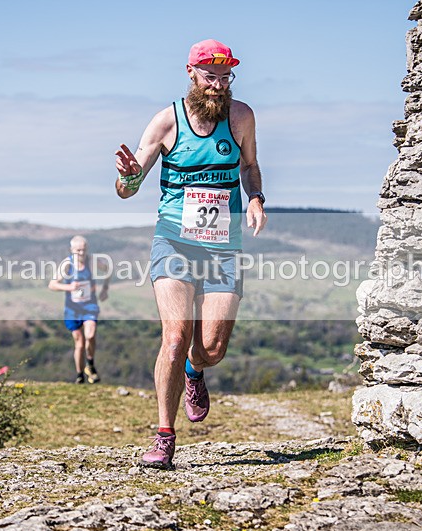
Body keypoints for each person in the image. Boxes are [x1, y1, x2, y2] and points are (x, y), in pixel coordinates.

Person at [114, 39, 267, 469]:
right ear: (190, 73)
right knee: (176, 337)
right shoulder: (166, 122)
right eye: (210, 77)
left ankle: (195, 373)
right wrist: (127, 179)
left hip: (223, 246)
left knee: (211, 347)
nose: (218, 85)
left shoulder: (242, 117)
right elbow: (128, 188)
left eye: (225, 77)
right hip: (174, 241)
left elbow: (250, 166)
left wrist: (255, 197)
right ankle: (164, 436)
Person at [48, 235, 109, 384]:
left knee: (91, 334)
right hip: (72, 308)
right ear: (71, 250)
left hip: (89, 305)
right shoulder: (67, 265)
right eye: (78, 250)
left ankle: (90, 363)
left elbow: (107, 269)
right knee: (79, 343)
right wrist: (69, 287)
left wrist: (104, 289)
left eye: (83, 250)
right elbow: (52, 284)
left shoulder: (91, 261)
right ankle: (79, 375)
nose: (81, 253)